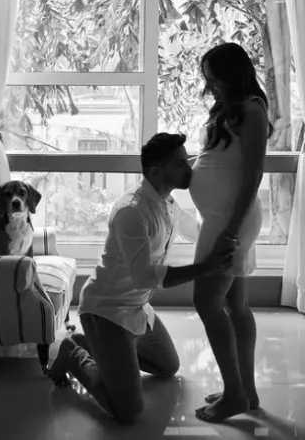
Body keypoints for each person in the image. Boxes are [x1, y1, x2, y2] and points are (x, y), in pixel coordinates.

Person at [47, 132, 234, 425]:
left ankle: (106, 351)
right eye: (180, 164)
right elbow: (145, 277)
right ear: (156, 172)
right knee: (129, 412)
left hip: (137, 307)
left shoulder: (167, 201)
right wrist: (205, 268)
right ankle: (73, 353)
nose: (190, 169)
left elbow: (194, 230)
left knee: (168, 366)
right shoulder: (132, 212)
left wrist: (225, 230)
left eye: (187, 160)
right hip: (105, 311)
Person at [189, 42, 273, 423]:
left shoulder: (252, 110)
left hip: (230, 220)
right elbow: (221, 161)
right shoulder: (229, 110)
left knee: (206, 301)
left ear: (234, 75)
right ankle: (246, 390)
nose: (211, 86)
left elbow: (253, 174)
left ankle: (235, 393)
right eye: (207, 78)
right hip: (221, 217)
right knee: (236, 305)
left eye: (215, 78)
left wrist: (231, 232)